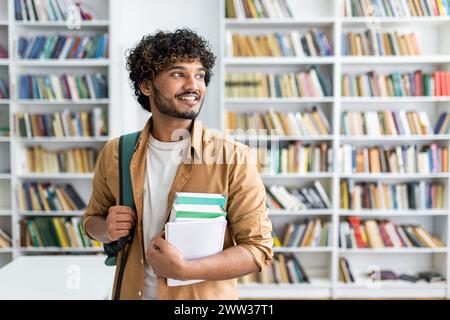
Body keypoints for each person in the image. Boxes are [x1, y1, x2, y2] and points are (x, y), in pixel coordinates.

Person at [82, 28, 273, 300]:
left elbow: (258, 250)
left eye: (200, 75)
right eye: (178, 74)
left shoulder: (234, 158)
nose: (193, 85)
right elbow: (91, 221)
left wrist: (184, 269)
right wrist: (106, 228)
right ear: (146, 85)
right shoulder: (116, 152)